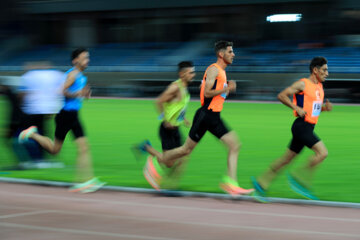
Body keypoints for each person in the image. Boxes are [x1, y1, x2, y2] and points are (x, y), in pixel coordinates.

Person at [140, 41, 254, 196]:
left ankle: (230, 183)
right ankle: (154, 162)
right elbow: (207, 93)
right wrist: (227, 88)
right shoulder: (214, 69)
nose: (233, 54)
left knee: (234, 145)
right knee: (185, 150)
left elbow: (206, 91)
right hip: (206, 116)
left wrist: (222, 90)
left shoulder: (221, 72)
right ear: (221, 54)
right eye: (230, 51)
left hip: (214, 116)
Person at [18, 48, 105, 193]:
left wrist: (84, 94)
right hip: (65, 116)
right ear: (75, 61)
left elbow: (76, 94)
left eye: (88, 57)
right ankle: (32, 134)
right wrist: (79, 93)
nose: (87, 60)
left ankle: (84, 181)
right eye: (84, 58)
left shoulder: (81, 76)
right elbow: (61, 91)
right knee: (55, 150)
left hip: (73, 115)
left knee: (83, 147)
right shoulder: (72, 74)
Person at [251, 56, 332, 201]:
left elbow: (314, 109)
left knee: (285, 160)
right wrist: (296, 108)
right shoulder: (303, 84)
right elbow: (282, 95)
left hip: (307, 128)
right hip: (301, 127)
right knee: (322, 153)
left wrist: (325, 108)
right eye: (324, 70)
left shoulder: (319, 87)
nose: (327, 73)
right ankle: (299, 179)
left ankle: (261, 184)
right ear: (315, 70)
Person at [134, 61, 195, 190]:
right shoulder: (175, 87)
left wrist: (184, 118)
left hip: (176, 129)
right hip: (167, 129)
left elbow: (177, 106)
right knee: (169, 162)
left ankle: (170, 185)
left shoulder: (184, 88)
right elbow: (158, 101)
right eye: (191, 72)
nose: (193, 75)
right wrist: (165, 119)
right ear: (182, 74)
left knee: (184, 157)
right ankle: (147, 149)